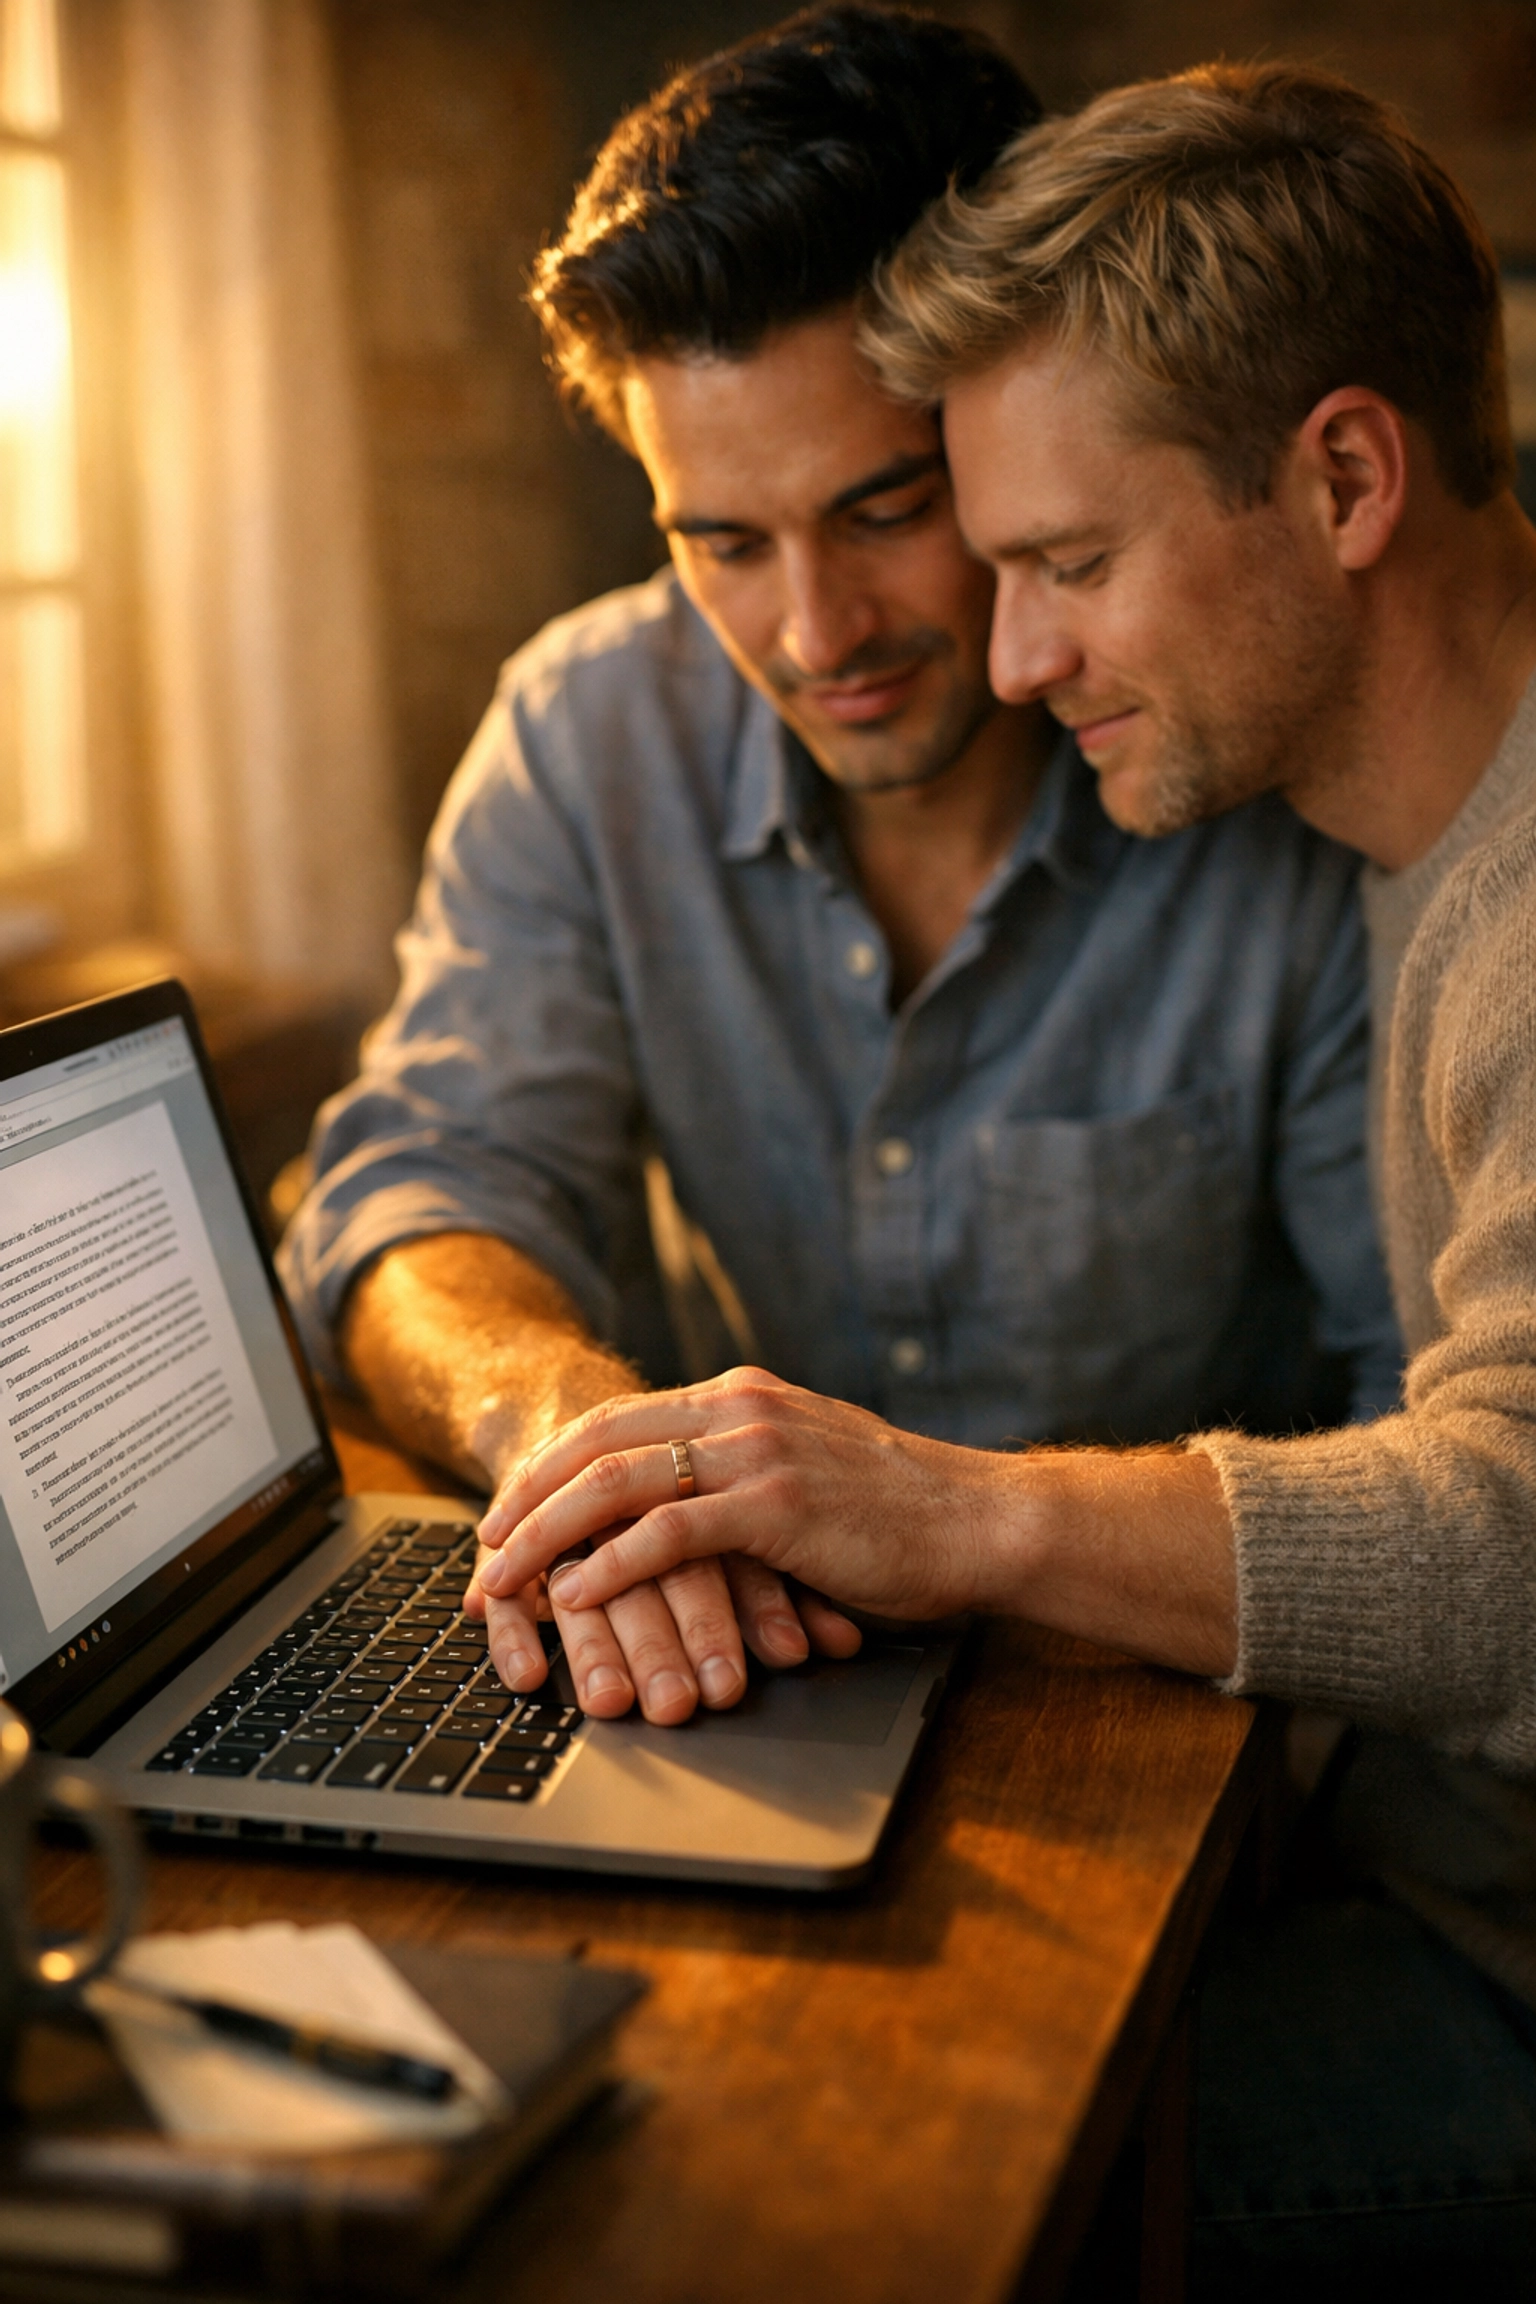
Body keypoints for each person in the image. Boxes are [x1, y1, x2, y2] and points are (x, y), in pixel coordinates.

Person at [477, 62, 1536, 2297]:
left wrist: (950, 1512)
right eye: (715, 544)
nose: (1004, 647)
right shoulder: (1391, 828)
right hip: (1383, 1863)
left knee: (760, 2209)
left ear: (1342, 474)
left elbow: (1507, 1537)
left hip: (1469, 1954)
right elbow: (430, 1159)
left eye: (1043, 556)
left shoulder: (1407, 859)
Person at [281, 8, 1399, 1732]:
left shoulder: (1265, 770)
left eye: (886, 510)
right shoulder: (589, 735)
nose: (816, 635)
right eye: (723, 542)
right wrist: (568, 1428)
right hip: (731, 1699)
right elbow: (422, 1181)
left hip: (1179, 1747)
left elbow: (1416, 1438)